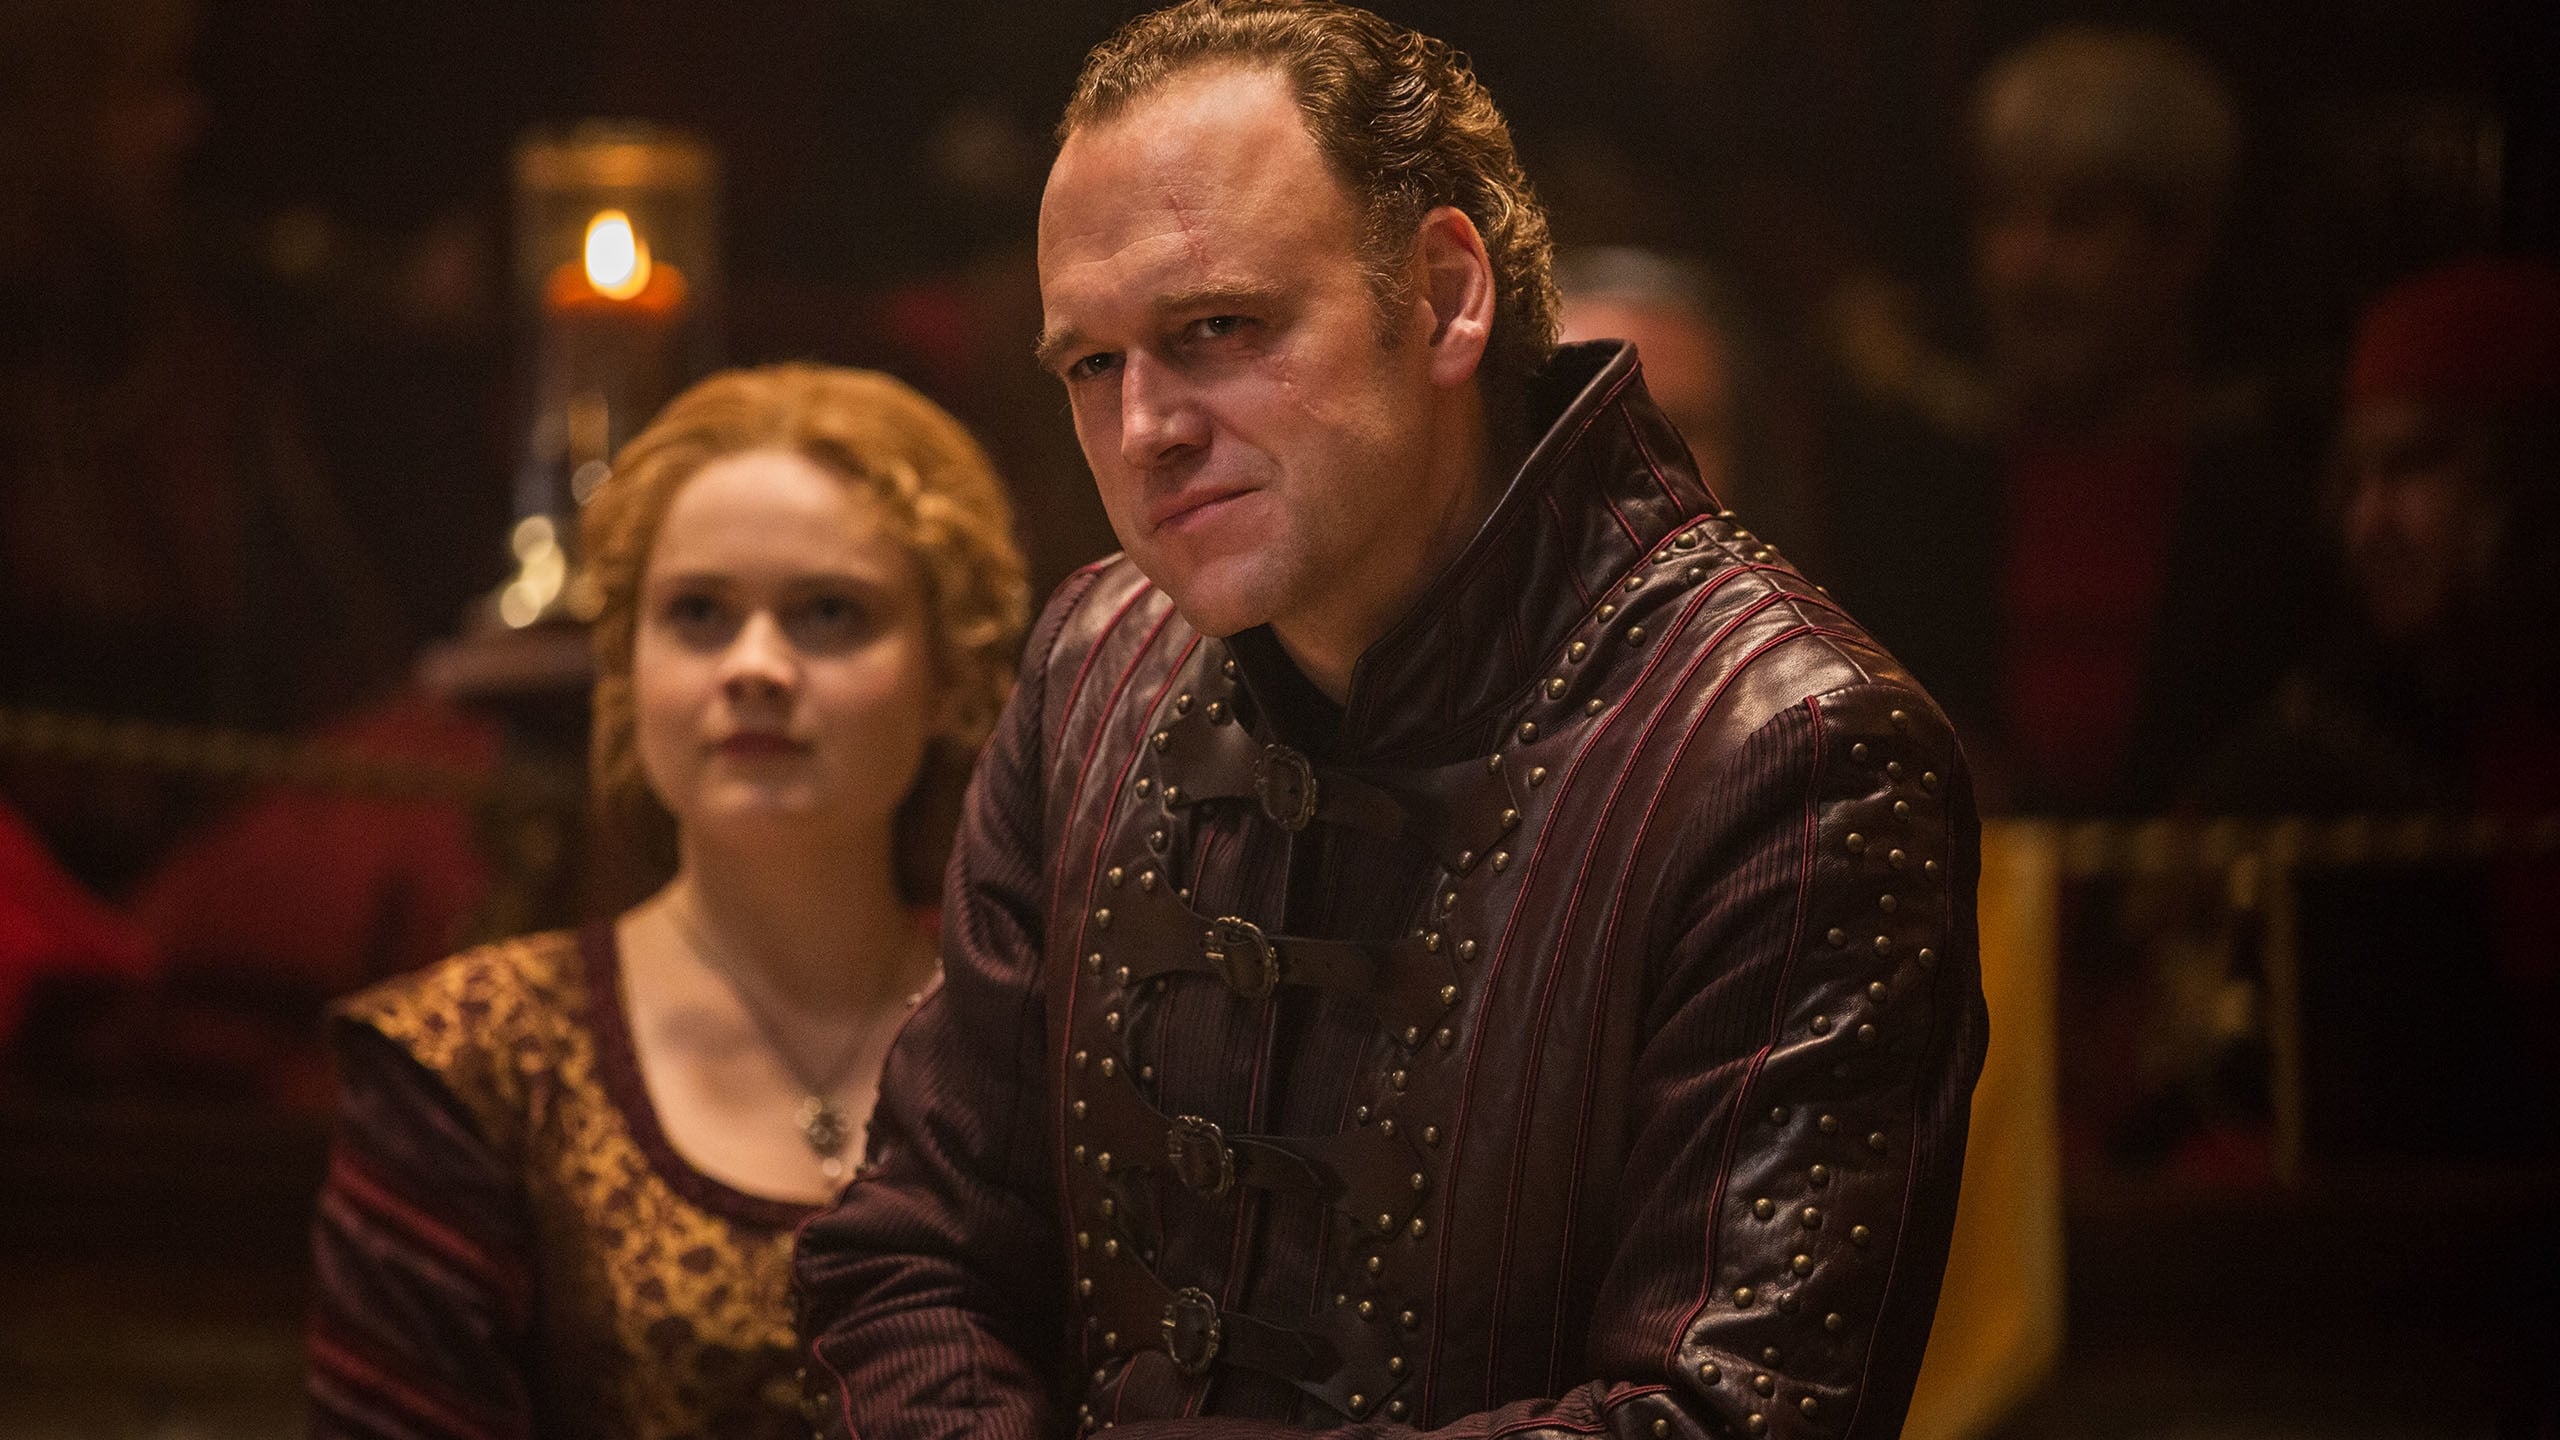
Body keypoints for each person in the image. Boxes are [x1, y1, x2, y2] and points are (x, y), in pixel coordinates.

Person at [794, 5, 1988, 1435]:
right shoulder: (1090, 662)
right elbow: (912, 1261)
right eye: (1092, 365)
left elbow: (1728, 1415)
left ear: (1443, 296)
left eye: (1216, 327)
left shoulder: (1797, 750)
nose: (1146, 427)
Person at [304, 365, 1029, 1438]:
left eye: (829, 612)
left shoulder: (1027, 1033)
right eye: (698, 613)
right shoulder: (476, 1061)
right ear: (628, 665)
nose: (755, 667)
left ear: (950, 675)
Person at [1818, 27, 2323, 813]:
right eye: (2004, 215)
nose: (2026, 263)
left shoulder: (2272, 484)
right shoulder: (1918, 479)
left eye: (2077, 221)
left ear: (2180, 245)